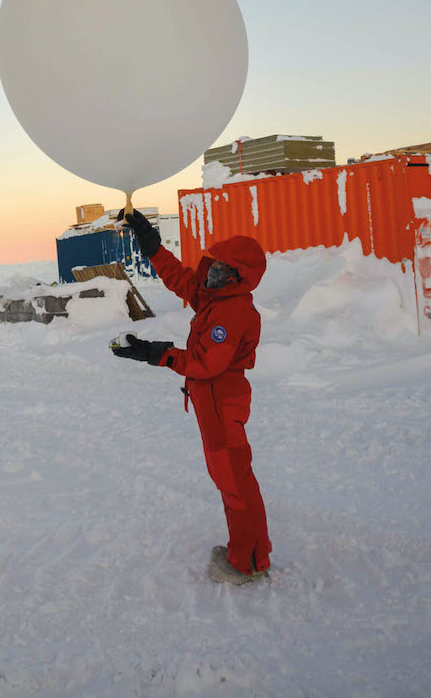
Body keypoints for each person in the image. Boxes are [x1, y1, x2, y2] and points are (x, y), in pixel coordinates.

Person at [112, 208, 271, 584]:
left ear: (239, 276)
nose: (211, 274)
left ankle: (246, 561)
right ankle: (249, 550)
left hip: (220, 400)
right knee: (231, 477)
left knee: (233, 480)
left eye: (221, 270)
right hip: (213, 401)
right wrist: (151, 244)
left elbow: (204, 365)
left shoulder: (232, 312)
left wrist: (154, 352)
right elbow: (181, 280)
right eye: (212, 265)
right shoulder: (216, 298)